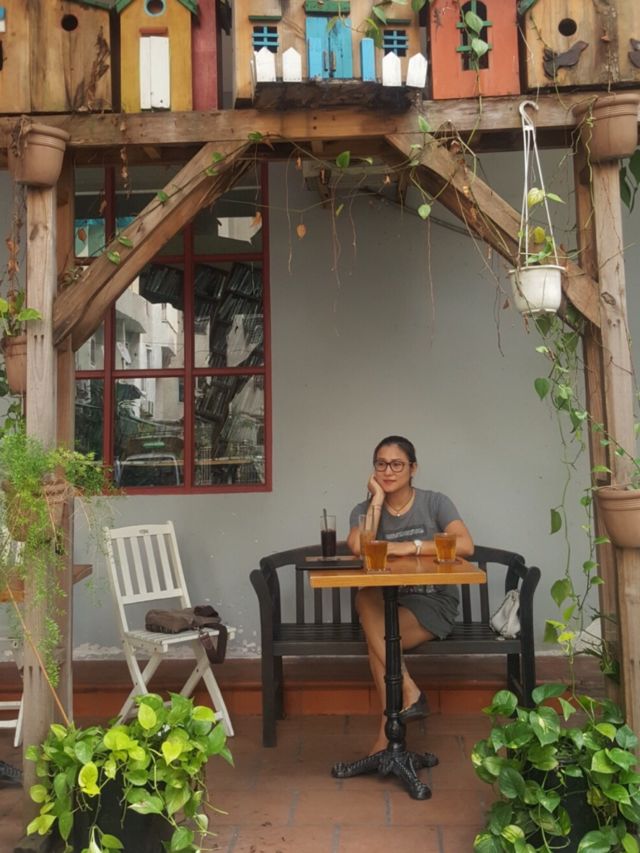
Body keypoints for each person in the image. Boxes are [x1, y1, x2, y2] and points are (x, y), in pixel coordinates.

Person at [347, 435, 474, 755]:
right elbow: (359, 547)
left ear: (413, 468)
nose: (388, 471)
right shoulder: (364, 509)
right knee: (365, 600)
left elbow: (465, 545)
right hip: (388, 604)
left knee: (377, 641)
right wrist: (377, 500)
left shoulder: (435, 503)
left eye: (397, 464)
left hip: (433, 601)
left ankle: (385, 738)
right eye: (381, 464)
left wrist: (411, 547)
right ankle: (409, 690)